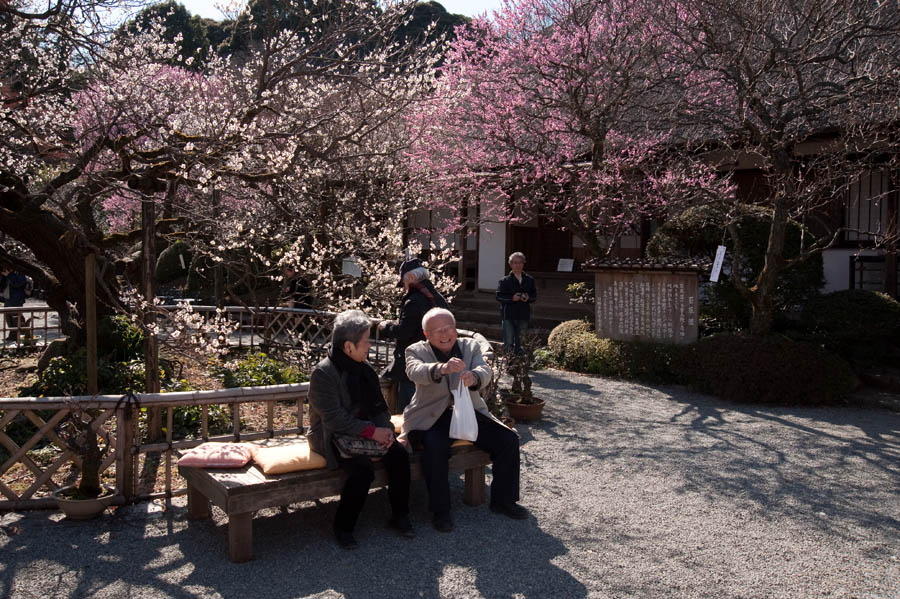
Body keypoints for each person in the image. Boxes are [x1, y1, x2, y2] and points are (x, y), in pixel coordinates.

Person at [401, 307, 527, 532]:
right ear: (426, 334)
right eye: (437, 330)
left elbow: (485, 370)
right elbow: (414, 371)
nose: (445, 333)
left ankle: (504, 501)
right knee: (434, 448)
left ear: (456, 329)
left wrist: (475, 377)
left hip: (468, 411)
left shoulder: (470, 347)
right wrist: (441, 368)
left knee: (508, 439)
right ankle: (441, 511)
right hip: (432, 416)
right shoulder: (415, 350)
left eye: (449, 328)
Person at [307, 309, 414, 549]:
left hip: (365, 431)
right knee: (361, 470)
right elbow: (333, 419)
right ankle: (343, 527)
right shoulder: (323, 373)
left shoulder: (365, 369)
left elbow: (379, 407)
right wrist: (371, 432)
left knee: (398, 454)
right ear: (348, 346)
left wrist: (384, 431)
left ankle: (400, 516)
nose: (369, 346)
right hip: (330, 436)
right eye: (366, 341)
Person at [378, 258, 449, 412]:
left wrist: (386, 327)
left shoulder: (414, 301)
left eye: (403, 282)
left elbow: (404, 332)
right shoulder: (438, 298)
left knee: (409, 411)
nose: (403, 287)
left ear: (410, 278)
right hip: (436, 361)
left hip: (413, 363)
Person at [496, 252, 537, 354]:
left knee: (521, 341)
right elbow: (499, 296)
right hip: (509, 314)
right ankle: (509, 365)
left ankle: (520, 365)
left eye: (520, 262)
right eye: (515, 263)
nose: (518, 265)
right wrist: (512, 298)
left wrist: (528, 298)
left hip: (523, 314)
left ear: (523, 264)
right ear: (510, 264)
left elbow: (534, 295)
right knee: (509, 341)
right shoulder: (504, 280)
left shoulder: (529, 279)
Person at [1, 266, 29, 342]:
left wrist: (9, 275)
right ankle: (13, 336)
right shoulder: (8, 273)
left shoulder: (20, 274)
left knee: (17, 318)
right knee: (9, 318)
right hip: (8, 298)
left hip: (16, 299)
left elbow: (17, 283)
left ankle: (22, 335)